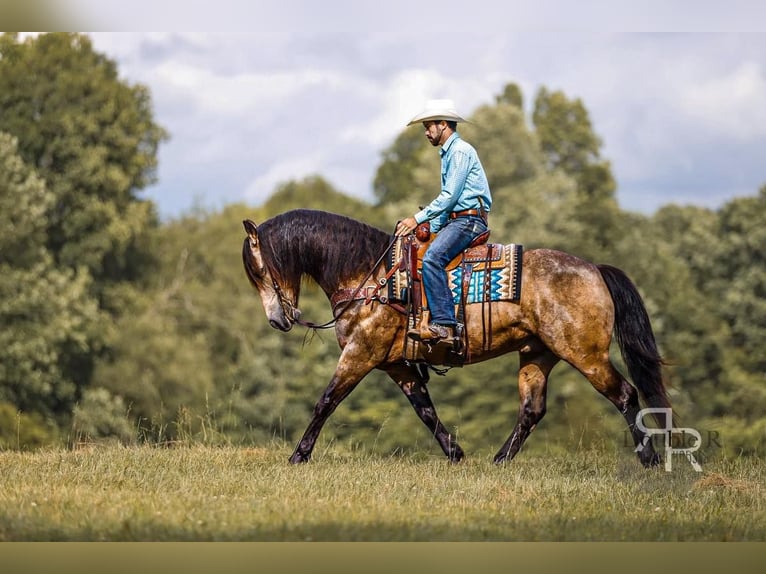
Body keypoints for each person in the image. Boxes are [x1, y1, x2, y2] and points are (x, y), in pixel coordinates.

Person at [395, 99, 492, 348]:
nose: (427, 132)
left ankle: (444, 325)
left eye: (429, 126)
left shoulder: (459, 151)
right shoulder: (449, 153)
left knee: (432, 259)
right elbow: (449, 203)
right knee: (421, 251)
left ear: (444, 124)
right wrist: (431, 229)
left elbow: (449, 197)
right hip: (458, 220)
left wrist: (416, 219)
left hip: (469, 220)